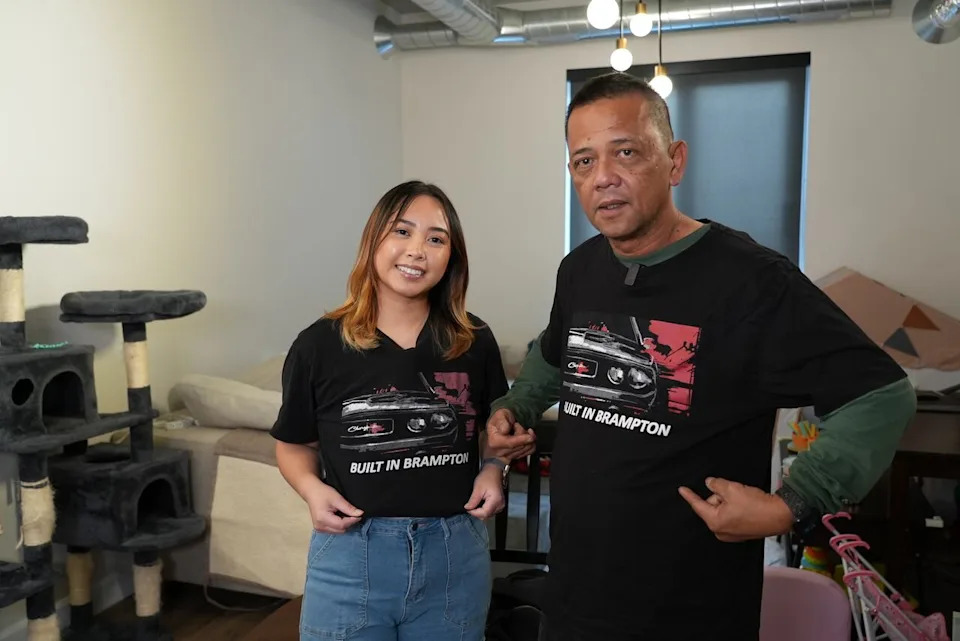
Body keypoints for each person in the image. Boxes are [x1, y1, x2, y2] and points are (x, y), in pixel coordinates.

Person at [487, 72, 917, 641]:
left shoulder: (753, 282)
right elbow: (554, 349)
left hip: (690, 607)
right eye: (583, 162)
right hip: (574, 593)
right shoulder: (582, 268)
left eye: (626, 152)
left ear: (675, 160)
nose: (604, 178)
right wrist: (517, 406)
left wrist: (792, 503)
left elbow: (881, 394)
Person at [271, 180, 512, 641]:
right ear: (374, 240)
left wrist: (494, 467)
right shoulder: (319, 344)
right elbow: (294, 443)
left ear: (451, 257)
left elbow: (491, 434)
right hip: (350, 554)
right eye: (402, 231)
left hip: (454, 552)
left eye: (436, 238)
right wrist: (310, 489)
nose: (417, 250)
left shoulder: (474, 340)